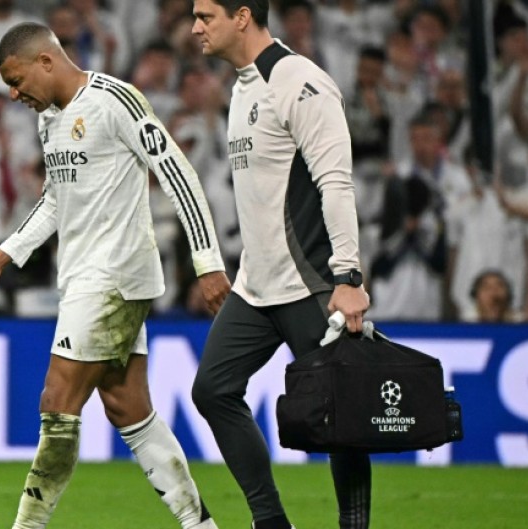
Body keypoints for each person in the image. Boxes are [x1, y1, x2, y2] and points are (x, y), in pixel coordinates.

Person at [0, 22, 230, 529]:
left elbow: (177, 173)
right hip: (84, 277)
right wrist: (1, 257)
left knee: (57, 403)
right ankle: (201, 525)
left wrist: (207, 262)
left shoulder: (114, 100)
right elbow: (54, 200)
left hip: (114, 275)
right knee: (129, 410)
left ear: (46, 61)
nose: (14, 94)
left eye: (16, 81)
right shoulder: (50, 120)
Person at [189, 2, 371, 529]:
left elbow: (335, 181)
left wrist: (348, 276)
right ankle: (270, 522)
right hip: (256, 287)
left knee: (340, 415)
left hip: (310, 283)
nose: (195, 27)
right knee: (212, 390)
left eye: (206, 16)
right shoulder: (243, 87)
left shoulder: (298, 80)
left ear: (242, 16)